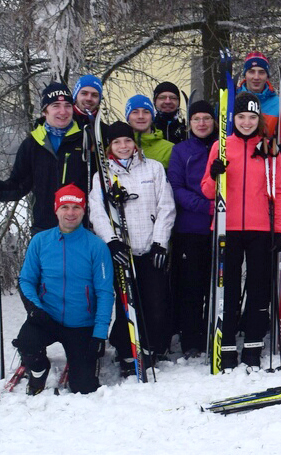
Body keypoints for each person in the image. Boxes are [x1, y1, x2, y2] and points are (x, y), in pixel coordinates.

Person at [200, 92, 281, 369]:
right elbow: (207, 191)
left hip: (262, 227)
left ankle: (253, 346)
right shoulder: (221, 147)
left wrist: (280, 229)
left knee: (260, 287)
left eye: (252, 117)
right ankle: (225, 346)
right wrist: (215, 173)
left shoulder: (270, 148)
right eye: (241, 117)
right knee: (228, 287)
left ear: (259, 118)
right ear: (232, 119)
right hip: (228, 227)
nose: (247, 122)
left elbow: (280, 192)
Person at [87, 121, 177, 375]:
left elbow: (166, 206)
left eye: (127, 141)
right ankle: (127, 352)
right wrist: (111, 241)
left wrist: (160, 242)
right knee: (128, 303)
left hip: (150, 249)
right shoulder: (102, 176)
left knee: (155, 304)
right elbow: (98, 212)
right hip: (122, 252)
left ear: (134, 143)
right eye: (117, 142)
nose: (123, 146)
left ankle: (148, 348)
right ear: (109, 147)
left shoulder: (154, 169)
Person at [13, 184, 113, 395]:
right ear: (56, 209)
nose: (70, 213)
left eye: (75, 207)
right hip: (47, 318)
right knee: (27, 343)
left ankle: (80, 366)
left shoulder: (96, 246)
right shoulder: (40, 241)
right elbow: (26, 280)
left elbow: (105, 293)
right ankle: (39, 371)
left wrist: (99, 334)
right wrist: (35, 309)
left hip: (81, 324)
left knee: (84, 387)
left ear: (84, 210)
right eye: (64, 207)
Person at [0, 82, 89, 233]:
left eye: (67, 105)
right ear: (45, 111)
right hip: (45, 227)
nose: (63, 111)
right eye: (56, 105)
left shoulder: (86, 139)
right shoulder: (33, 144)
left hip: (80, 228)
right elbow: (19, 184)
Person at [166, 100, 216, 358]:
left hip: (220, 229)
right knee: (191, 287)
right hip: (191, 228)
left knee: (216, 284)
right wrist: (206, 206)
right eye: (196, 118)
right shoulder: (181, 150)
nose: (202, 123)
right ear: (190, 122)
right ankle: (191, 339)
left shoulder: (223, 148)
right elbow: (175, 187)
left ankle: (214, 331)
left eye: (206, 118)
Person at [236, 51, 281, 137]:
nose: (256, 77)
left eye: (261, 72)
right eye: (251, 72)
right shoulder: (232, 99)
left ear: (267, 76)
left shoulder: (278, 103)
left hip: (266, 149)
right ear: (245, 75)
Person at [124, 94, 174, 167]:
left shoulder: (169, 149)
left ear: (152, 117)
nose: (141, 116)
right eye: (135, 112)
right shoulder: (120, 147)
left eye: (146, 112)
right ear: (128, 118)